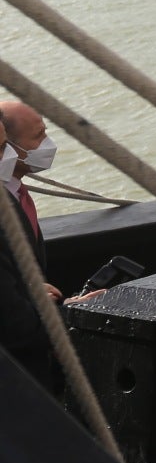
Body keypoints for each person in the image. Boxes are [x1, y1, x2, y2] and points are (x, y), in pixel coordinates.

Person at [0, 101, 59, 395]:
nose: (47, 144)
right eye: (38, 137)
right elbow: (13, 324)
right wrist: (71, 316)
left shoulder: (14, 197)